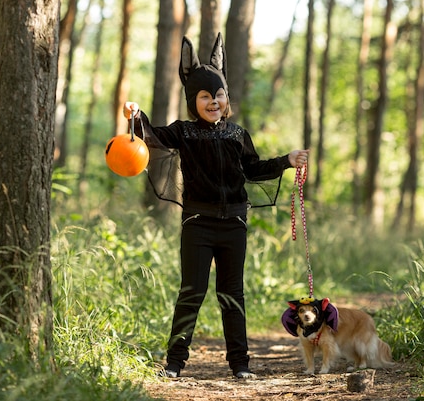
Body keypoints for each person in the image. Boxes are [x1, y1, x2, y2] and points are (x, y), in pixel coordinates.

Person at [123, 33, 309, 379]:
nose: (213, 101)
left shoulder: (238, 135)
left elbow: (254, 169)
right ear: (193, 100)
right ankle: (175, 362)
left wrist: (287, 160)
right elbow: (152, 137)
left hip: (234, 225)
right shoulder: (183, 132)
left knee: (232, 295)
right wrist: (135, 116)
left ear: (227, 98)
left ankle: (240, 364)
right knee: (191, 292)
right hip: (197, 223)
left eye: (219, 95)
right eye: (205, 96)